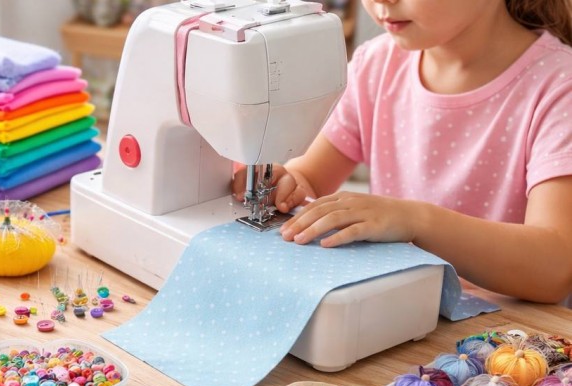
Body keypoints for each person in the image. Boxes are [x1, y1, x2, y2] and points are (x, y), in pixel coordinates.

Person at [233, 0, 572, 304]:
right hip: (407, 310)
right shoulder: (376, 65)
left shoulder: (559, 87)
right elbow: (308, 179)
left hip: (510, 337)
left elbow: (554, 269)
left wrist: (417, 222)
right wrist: (286, 185)